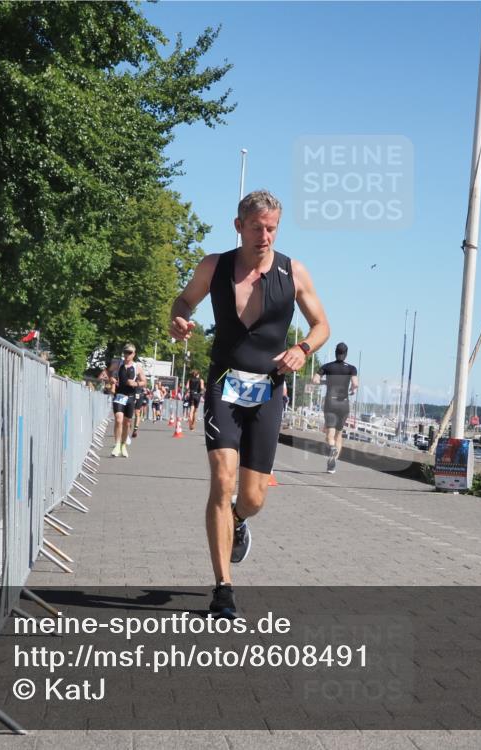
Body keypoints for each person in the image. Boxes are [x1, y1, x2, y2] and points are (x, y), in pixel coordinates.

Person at [169, 190, 329, 618]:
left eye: (272, 228)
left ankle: (238, 520)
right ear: (239, 226)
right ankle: (223, 589)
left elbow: (321, 325)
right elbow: (184, 301)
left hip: (268, 391)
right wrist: (179, 318)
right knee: (222, 481)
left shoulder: (293, 272)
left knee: (253, 498)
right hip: (223, 385)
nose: (265, 236)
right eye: (257, 227)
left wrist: (303, 349)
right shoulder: (214, 266)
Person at [313, 342, 358, 473]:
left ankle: (331, 447)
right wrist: (352, 389)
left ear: (335, 352)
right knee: (339, 435)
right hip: (344, 404)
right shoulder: (351, 368)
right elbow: (355, 384)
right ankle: (332, 465)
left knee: (330, 436)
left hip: (330, 403)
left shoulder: (327, 367)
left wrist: (326, 382)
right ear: (346, 354)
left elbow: (315, 380)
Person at [107, 344, 146, 457]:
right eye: (125, 352)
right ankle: (117, 445)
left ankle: (123, 445)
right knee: (118, 419)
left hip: (130, 397)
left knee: (127, 422)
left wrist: (136, 383)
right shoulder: (118, 364)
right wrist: (111, 378)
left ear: (134, 354)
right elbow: (108, 372)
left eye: (129, 353)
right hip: (119, 395)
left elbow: (144, 382)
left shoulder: (137, 367)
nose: (127, 355)